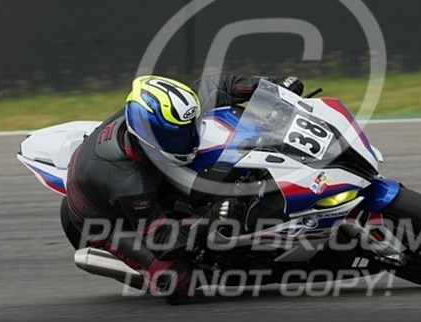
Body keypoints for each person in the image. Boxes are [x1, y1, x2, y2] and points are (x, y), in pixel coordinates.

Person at [60, 73, 303, 304]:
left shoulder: (162, 119)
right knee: (179, 283)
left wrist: (274, 86)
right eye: (177, 136)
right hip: (104, 219)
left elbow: (216, 85)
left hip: (134, 176)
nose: (188, 139)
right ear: (148, 136)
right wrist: (210, 219)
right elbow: (162, 239)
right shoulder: (130, 184)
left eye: (190, 128)